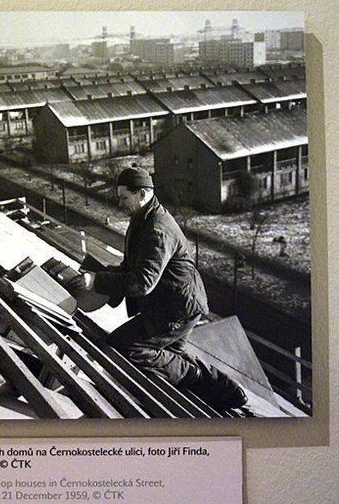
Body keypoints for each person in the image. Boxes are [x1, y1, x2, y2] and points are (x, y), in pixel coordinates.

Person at [66, 166, 248, 410]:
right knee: (171, 354)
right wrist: (100, 274)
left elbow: (142, 283)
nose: (120, 203)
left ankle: (210, 384)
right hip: (169, 304)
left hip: (177, 311)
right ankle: (228, 391)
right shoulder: (143, 217)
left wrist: (97, 281)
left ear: (142, 194)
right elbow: (131, 268)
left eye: (124, 197)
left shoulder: (156, 230)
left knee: (127, 346)